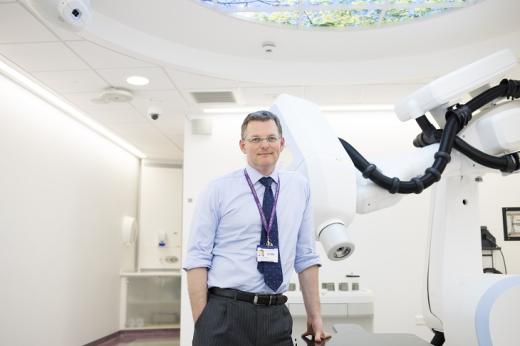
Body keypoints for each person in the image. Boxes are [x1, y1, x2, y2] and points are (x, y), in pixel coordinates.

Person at [183, 110, 330, 346]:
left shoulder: (299, 188)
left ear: (281, 144)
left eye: (271, 138)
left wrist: (316, 316)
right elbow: (197, 259)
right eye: (255, 139)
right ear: (243, 145)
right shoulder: (218, 190)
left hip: (276, 314)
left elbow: (306, 256)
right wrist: (203, 324)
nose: (264, 145)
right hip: (225, 312)